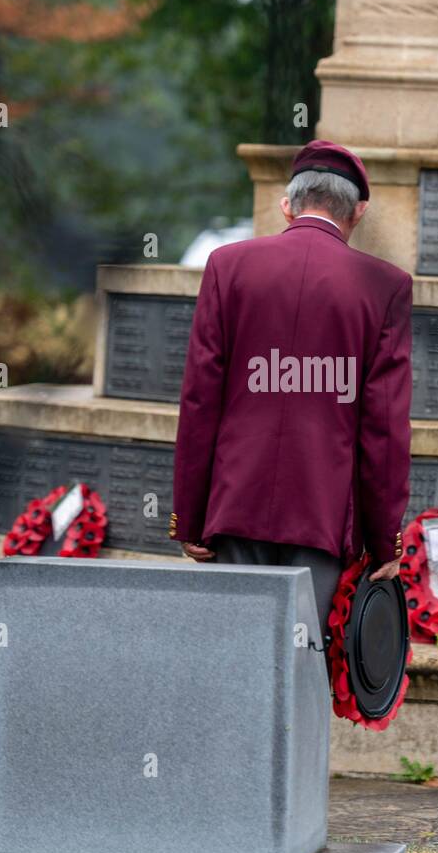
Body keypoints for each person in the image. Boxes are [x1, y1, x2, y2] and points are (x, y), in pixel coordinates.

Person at [170, 139, 413, 634]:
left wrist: (190, 517)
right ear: (359, 211)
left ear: (287, 206)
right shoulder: (385, 285)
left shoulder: (227, 266)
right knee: (302, 668)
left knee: (236, 661)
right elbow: (384, 426)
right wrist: (384, 537)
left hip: (235, 504)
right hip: (322, 514)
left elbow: (200, 401)